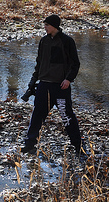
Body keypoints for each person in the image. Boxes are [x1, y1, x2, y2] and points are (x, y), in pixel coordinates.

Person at [21, 14, 82, 155]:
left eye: (47, 25)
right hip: (43, 86)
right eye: (44, 24)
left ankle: (78, 145)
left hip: (61, 87)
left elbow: (75, 64)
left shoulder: (67, 41)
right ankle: (30, 144)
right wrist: (33, 80)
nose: (45, 27)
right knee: (37, 115)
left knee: (67, 117)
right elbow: (39, 63)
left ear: (55, 26)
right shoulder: (43, 41)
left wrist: (68, 79)